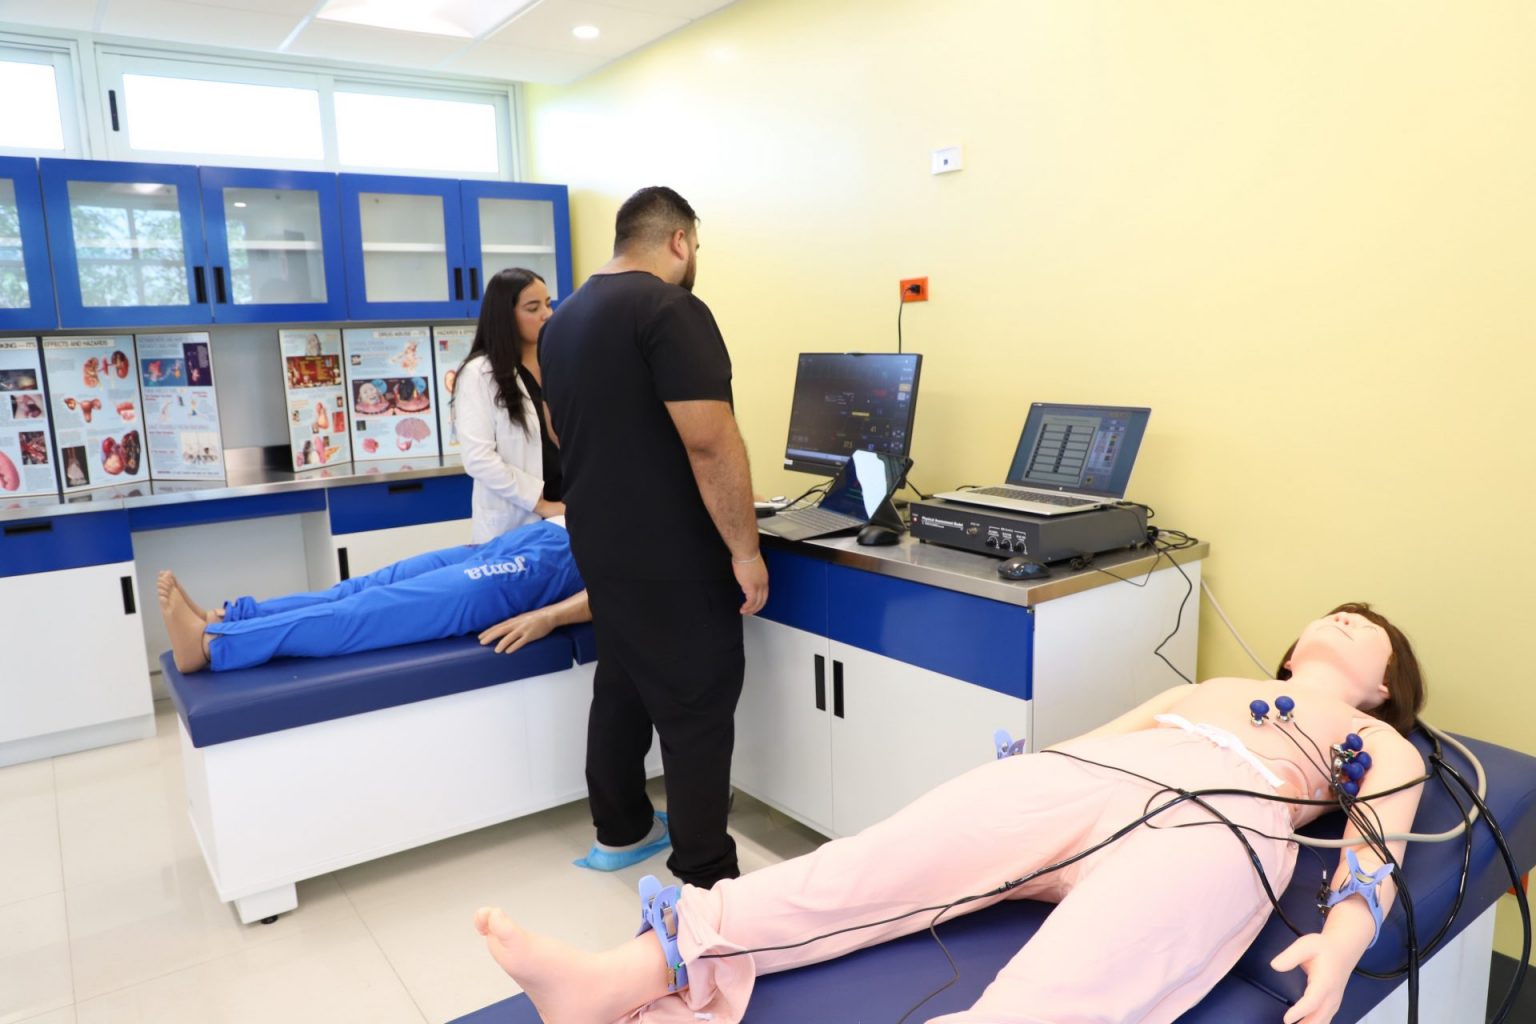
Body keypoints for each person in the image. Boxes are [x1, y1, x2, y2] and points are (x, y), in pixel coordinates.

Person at [473, 603, 1428, 1024]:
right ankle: (618, 977)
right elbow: (1097, 736)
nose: (1347, 616)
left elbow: (1376, 844)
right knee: (868, 866)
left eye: (1369, 627)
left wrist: (1344, 941)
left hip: (1229, 821)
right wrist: (1018, 782)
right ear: (1294, 645)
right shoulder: (1217, 685)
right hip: (1092, 774)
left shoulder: (1379, 740)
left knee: (1077, 982)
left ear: (1386, 687)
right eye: (1335, 611)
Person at [539, 187, 768, 888]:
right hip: (674, 557)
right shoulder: (672, 310)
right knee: (697, 711)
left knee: (623, 683)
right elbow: (710, 443)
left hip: (601, 544)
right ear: (678, 241)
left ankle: (621, 831)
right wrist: (746, 550)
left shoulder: (562, 319)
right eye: (694, 246)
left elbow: (558, 427)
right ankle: (707, 878)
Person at [155, 519, 590, 674]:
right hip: (540, 535)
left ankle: (212, 646)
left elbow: (625, 584)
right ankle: (228, 619)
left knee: (368, 611)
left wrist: (550, 616)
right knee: (360, 587)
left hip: (553, 569)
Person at [453, 267, 565, 543]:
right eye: (533, 308)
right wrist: (540, 504)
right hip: (520, 518)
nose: (547, 315)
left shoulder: (557, 363)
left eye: (548, 304)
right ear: (505, 315)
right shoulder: (480, 373)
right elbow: (478, 458)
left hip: (567, 511)